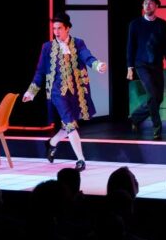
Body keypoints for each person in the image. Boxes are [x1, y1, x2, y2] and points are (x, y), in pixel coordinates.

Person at [23, 12, 106, 170]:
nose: (56, 32)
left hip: (75, 92)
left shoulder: (78, 43)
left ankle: (52, 143)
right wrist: (31, 91)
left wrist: (97, 65)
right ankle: (81, 159)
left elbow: (87, 56)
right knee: (70, 123)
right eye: (54, 28)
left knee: (68, 124)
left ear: (68, 28)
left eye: (59, 28)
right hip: (57, 93)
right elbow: (40, 71)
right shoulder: (47, 47)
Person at [127, 0, 166, 140]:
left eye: (151, 3)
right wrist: (130, 67)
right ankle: (157, 128)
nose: (147, 5)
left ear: (156, 6)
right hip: (141, 65)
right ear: (143, 6)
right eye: (145, 3)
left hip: (157, 65)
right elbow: (130, 47)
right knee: (153, 95)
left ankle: (135, 117)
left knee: (158, 98)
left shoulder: (162, 24)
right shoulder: (135, 24)